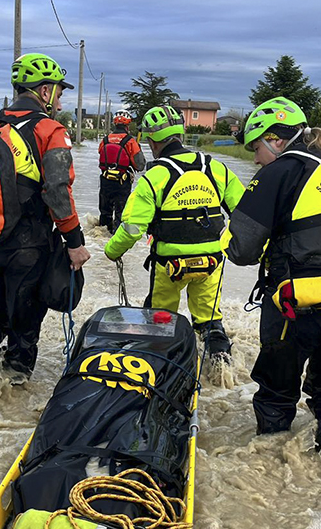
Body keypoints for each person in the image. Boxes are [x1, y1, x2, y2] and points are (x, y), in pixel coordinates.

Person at [223, 96, 321, 464]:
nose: (255, 158)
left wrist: (223, 233)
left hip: (299, 303)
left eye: (256, 148)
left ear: (276, 140)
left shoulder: (280, 172)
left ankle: (273, 469)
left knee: (277, 397)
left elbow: (242, 250)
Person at [0, 53, 90, 400]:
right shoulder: (50, 130)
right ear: (44, 90)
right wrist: (75, 243)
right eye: (59, 93)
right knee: (23, 330)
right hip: (28, 248)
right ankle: (13, 397)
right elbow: (58, 192)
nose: (60, 100)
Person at [104, 105, 245, 363]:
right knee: (210, 320)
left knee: (159, 321)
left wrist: (111, 251)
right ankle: (221, 363)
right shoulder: (216, 168)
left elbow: (133, 229)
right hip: (211, 261)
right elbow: (245, 212)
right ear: (180, 133)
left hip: (169, 266)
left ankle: (160, 366)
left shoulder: (153, 177)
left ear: (151, 141)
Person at [97, 111, 146, 231]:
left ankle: (101, 242)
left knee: (105, 216)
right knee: (121, 216)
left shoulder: (105, 140)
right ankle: (115, 242)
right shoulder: (130, 142)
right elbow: (140, 166)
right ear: (127, 126)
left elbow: (101, 154)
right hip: (122, 183)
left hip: (105, 181)